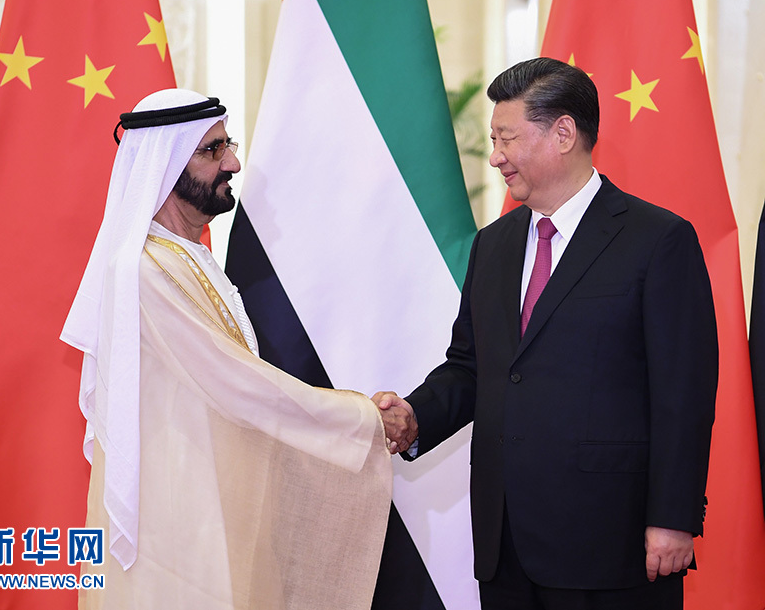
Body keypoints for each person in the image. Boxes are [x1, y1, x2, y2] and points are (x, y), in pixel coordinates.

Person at [374, 58, 718, 610]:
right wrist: (415, 416)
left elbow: (684, 396)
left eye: (507, 138)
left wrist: (673, 518)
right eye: (493, 139)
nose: (495, 156)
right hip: (505, 544)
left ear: (563, 133)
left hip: (611, 544)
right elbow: (472, 367)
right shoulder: (493, 245)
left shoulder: (658, 241)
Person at [61, 89, 391, 610]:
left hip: (219, 506)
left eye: (227, 145)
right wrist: (361, 418)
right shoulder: (144, 271)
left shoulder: (188, 257)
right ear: (166, 163)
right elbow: (237, 382)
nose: (233, 163)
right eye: (212, 150)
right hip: (178, 526)